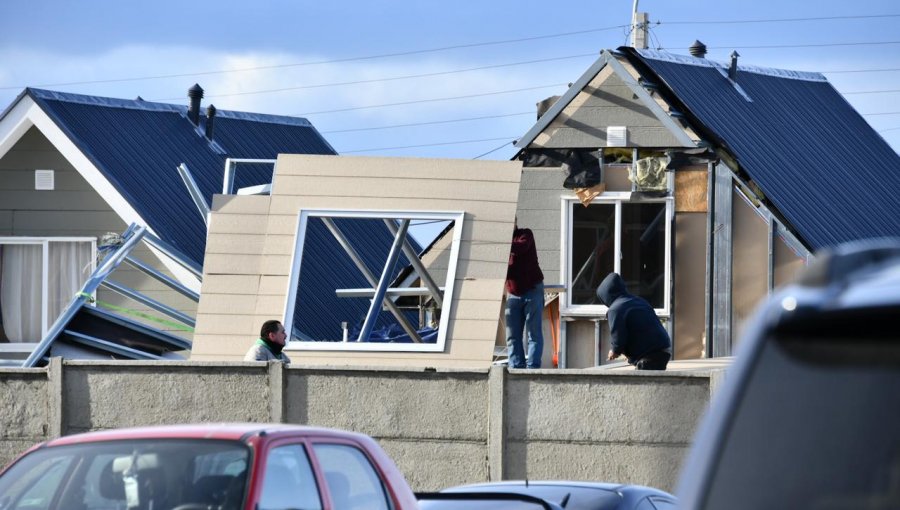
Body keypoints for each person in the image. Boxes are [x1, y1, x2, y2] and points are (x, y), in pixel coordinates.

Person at [596, 272, 671, 370]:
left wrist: (615, 351)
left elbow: (618, 335)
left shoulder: (615, 309)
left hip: (649, 355)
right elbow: (639, 329)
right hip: (664, 349)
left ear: (605, 296)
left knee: (640, 384)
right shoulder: (638, 300)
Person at [505, 220, 544, 369]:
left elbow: (521, 247)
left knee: (533, 334)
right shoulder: (501, 244)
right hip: (513, 293)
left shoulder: (525, 234)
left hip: (532, 290)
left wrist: (500, 243)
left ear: (515, 222)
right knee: (512, 335)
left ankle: (532, 368)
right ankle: (516, 367)